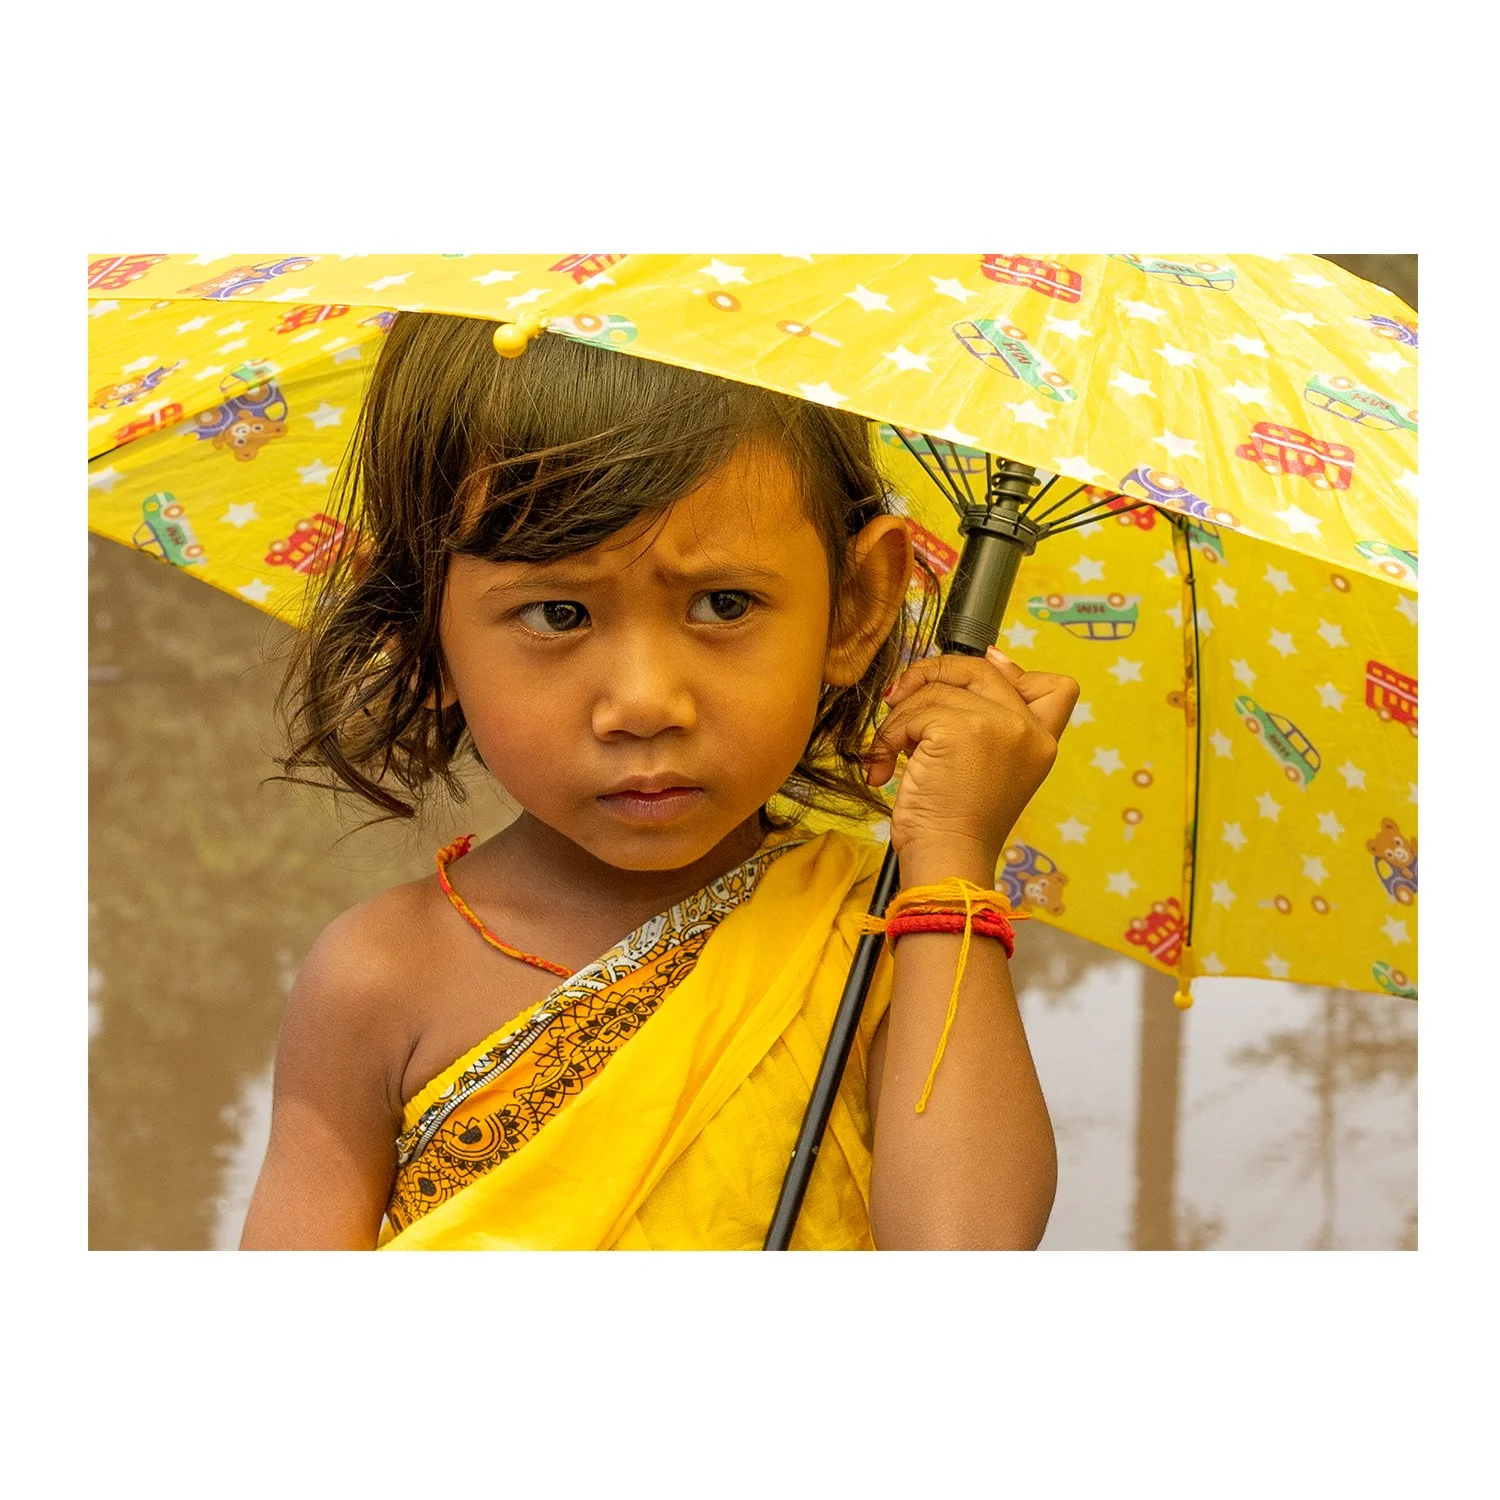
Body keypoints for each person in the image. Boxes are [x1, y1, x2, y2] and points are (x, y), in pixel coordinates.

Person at [240, 311, 1078, 1251]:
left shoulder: (883, 939)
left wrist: (951, 859)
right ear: (417, 628)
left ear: (856, 608)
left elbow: (968, 1248)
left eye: (723, 604)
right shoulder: (378, 977)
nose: (644, 703)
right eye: (557, 613)